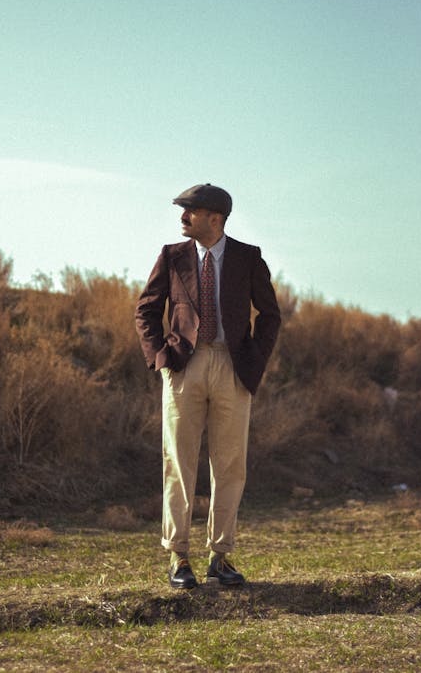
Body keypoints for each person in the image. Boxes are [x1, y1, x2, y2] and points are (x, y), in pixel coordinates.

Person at [135, 184, 281, 589]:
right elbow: (146, 309)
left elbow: (270, 315)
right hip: (184, 366)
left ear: (215, 218)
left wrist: (255, 361)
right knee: (178, 462)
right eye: (183, 211)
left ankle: (220, 556)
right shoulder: (172, 256)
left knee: (230, 464)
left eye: (191, 211)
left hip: (233, 368)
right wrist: (159, 358)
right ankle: (178, 557)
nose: (183, 218)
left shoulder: (248, 258)